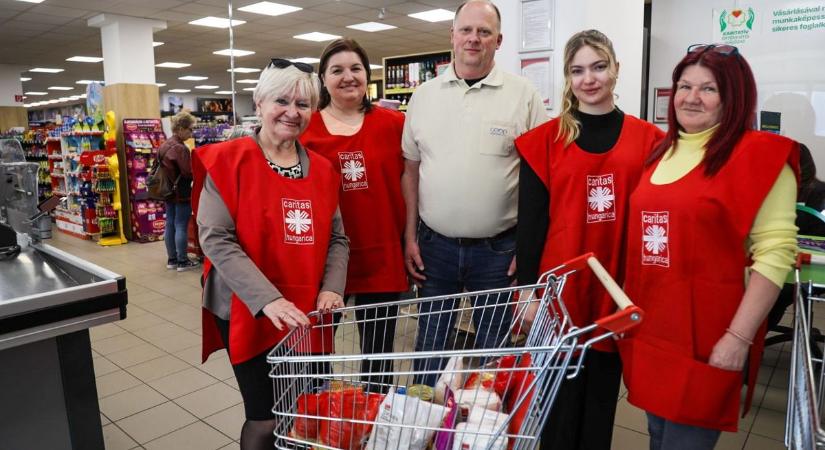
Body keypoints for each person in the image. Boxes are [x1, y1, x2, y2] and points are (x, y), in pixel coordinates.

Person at [618, 44, 799, 449]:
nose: (692, 97)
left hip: (708, 336)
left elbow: (775, 255)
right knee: (657, 435)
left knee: (685, 442)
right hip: (653, 329)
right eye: (684, 86)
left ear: (734, 97)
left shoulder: (759, 156)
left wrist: (738, 338)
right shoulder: (661, 152)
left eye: (709, 88)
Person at [514, 30, 664, 450]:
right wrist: (526, 293)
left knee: (599, 405)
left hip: (614, 291)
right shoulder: (545, 141)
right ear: (567, 77)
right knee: (556, 411)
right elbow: (531, 225)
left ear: (616, 68)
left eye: (599, 67)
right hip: (560, 292)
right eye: (577, 70)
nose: (589, 79)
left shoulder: (650, 141)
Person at [192, 59, 349, 450]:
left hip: (307, 310)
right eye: (282, 101)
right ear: (259, 102)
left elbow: (338, 239)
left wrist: (332, 288)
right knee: (264, 417)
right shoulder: (227, 161)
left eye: (303, 104)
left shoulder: (324, 171)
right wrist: (268, 300)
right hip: (246, 306)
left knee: (306, 409)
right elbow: (216, 239)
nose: (292, 112)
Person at [401, 0, 547, 385]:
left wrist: (528, 250)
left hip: (499, 251)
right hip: (434, 247)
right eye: (466, 30)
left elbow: (540, 178)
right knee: (430, 347)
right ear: (452, 35)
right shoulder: (423, 97)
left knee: (494, 354)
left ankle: (485, 421)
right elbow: (411, 170)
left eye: (484, 32)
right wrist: (410, 235)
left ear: (499, 40)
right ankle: (424, 419)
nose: (473, 38)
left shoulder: (524, 95)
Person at [300, 37, 407, 392]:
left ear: (367, 75)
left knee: (379, 354)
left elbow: (411, 182)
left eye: (356, 68)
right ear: (323, 79)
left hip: (381, 253)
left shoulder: (394, 124)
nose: (348, 76)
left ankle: (375, 417)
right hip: (327, 259)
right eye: (337, 70)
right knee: (316, 351)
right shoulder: (306, 129)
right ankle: (318, 415)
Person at [159, 110, 198, 271]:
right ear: (181, 128)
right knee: (181, 224)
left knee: (170, 224)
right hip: (181, 192)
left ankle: (172, 259)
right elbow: (188, 172)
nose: (191, 132)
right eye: (190, 129)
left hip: (167, 190)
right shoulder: (180, 148)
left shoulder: (164, 145)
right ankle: (182, 261)